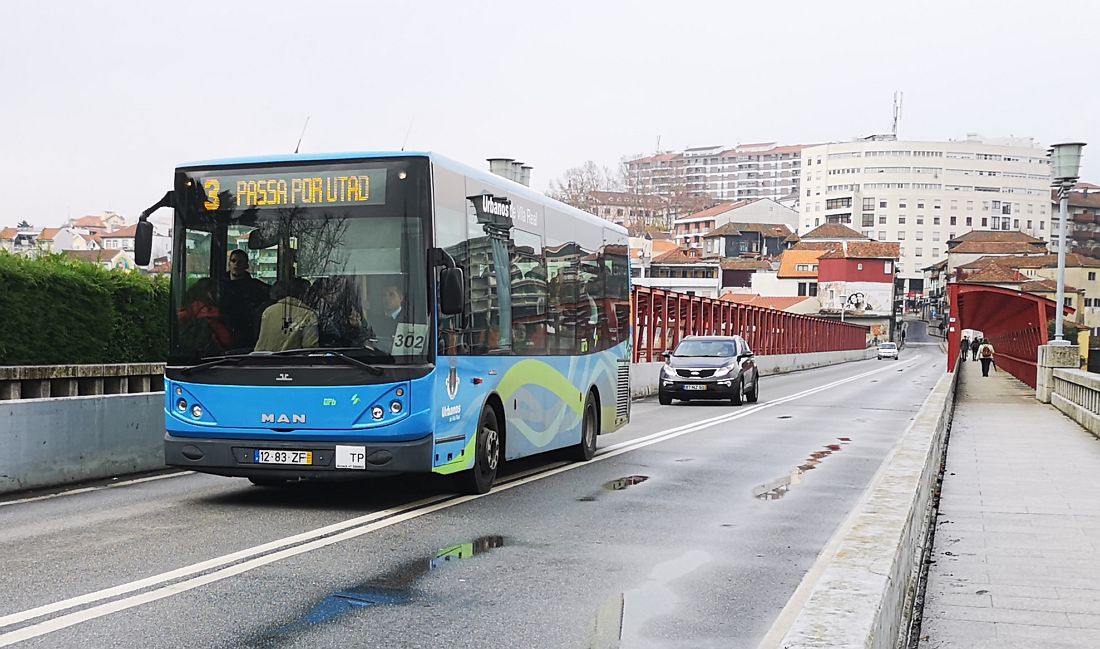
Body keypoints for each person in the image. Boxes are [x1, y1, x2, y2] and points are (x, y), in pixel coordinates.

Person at [221, 249, 270, 350]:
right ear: (229, 264)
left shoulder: (257, 288)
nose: (236, 264)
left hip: (248, 338)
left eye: (241, 262)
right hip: (223, 338)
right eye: (233, 261)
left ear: (246, 266)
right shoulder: (218, 287)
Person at [255, 278, 319, 352]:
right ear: (305, 295)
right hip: (291, 361)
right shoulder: (308, 315)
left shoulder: (268, 311)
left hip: (263, 360)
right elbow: (310, 347)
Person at [178, 278, 232, 356]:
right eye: (215, 292)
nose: (218, 295)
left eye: (218, 292)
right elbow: (226, 340)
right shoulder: (210, 313)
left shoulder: (187, 309)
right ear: (205, 292)